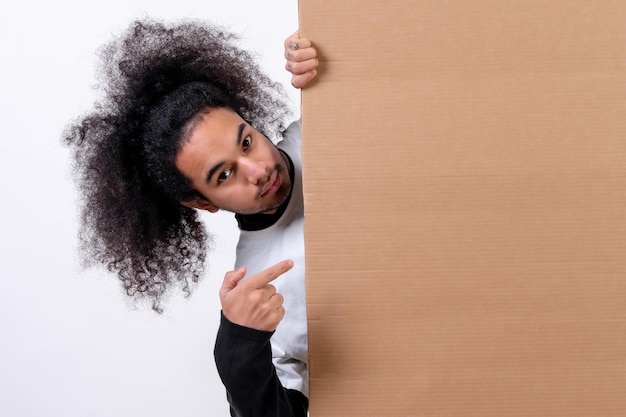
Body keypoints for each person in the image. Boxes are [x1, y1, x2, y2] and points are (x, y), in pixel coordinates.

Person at [64, 18, 318, 417]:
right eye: (225, 174)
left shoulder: (323, 130)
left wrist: (332, 58)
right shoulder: (262, 289)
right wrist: (240, 346)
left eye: (247, 141)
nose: (257, 170)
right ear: (203, 203)